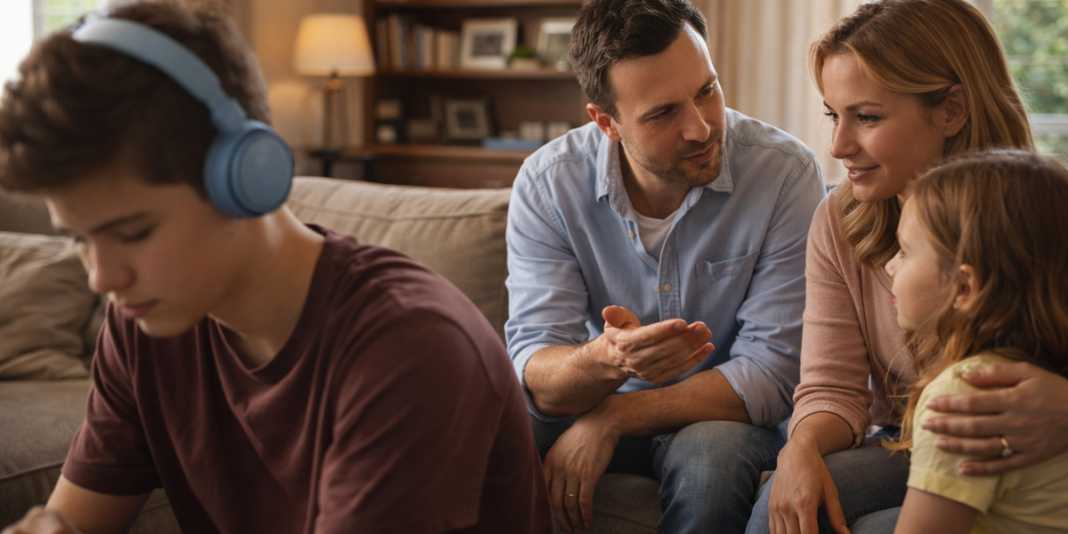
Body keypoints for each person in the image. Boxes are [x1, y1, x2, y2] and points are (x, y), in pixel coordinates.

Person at [0, 3, 551, 533]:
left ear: (247, 177)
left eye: (132, 233)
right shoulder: (142, 322)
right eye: (78, 238)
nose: (102, 279)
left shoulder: (412, 348)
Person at [504, 0, 825, 531]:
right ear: (606, 122)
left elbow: (774, 371)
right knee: (482, 429)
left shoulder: (783, 174)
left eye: (706, 91)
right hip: (595, 396)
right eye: (662, 113)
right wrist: (609, 360)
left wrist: (616, 416)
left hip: (721, 415)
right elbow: (538, 370)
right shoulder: (547, 184)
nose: (700, 128)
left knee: (710, 462)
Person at [746, 1, 1062, 533]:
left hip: (1040, 451)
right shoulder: (839, 219)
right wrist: (799, 446)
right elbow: (834, 386)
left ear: (951, 110)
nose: (838, 145)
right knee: (784, 508)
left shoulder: (1044, 211)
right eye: (833, 114)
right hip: (913, 443)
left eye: (866, 116)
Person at [883, 150, 1068, 534]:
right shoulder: (1050, 365)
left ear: (965, 286)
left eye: (904, 250)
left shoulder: (964, 398)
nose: (890, 265)